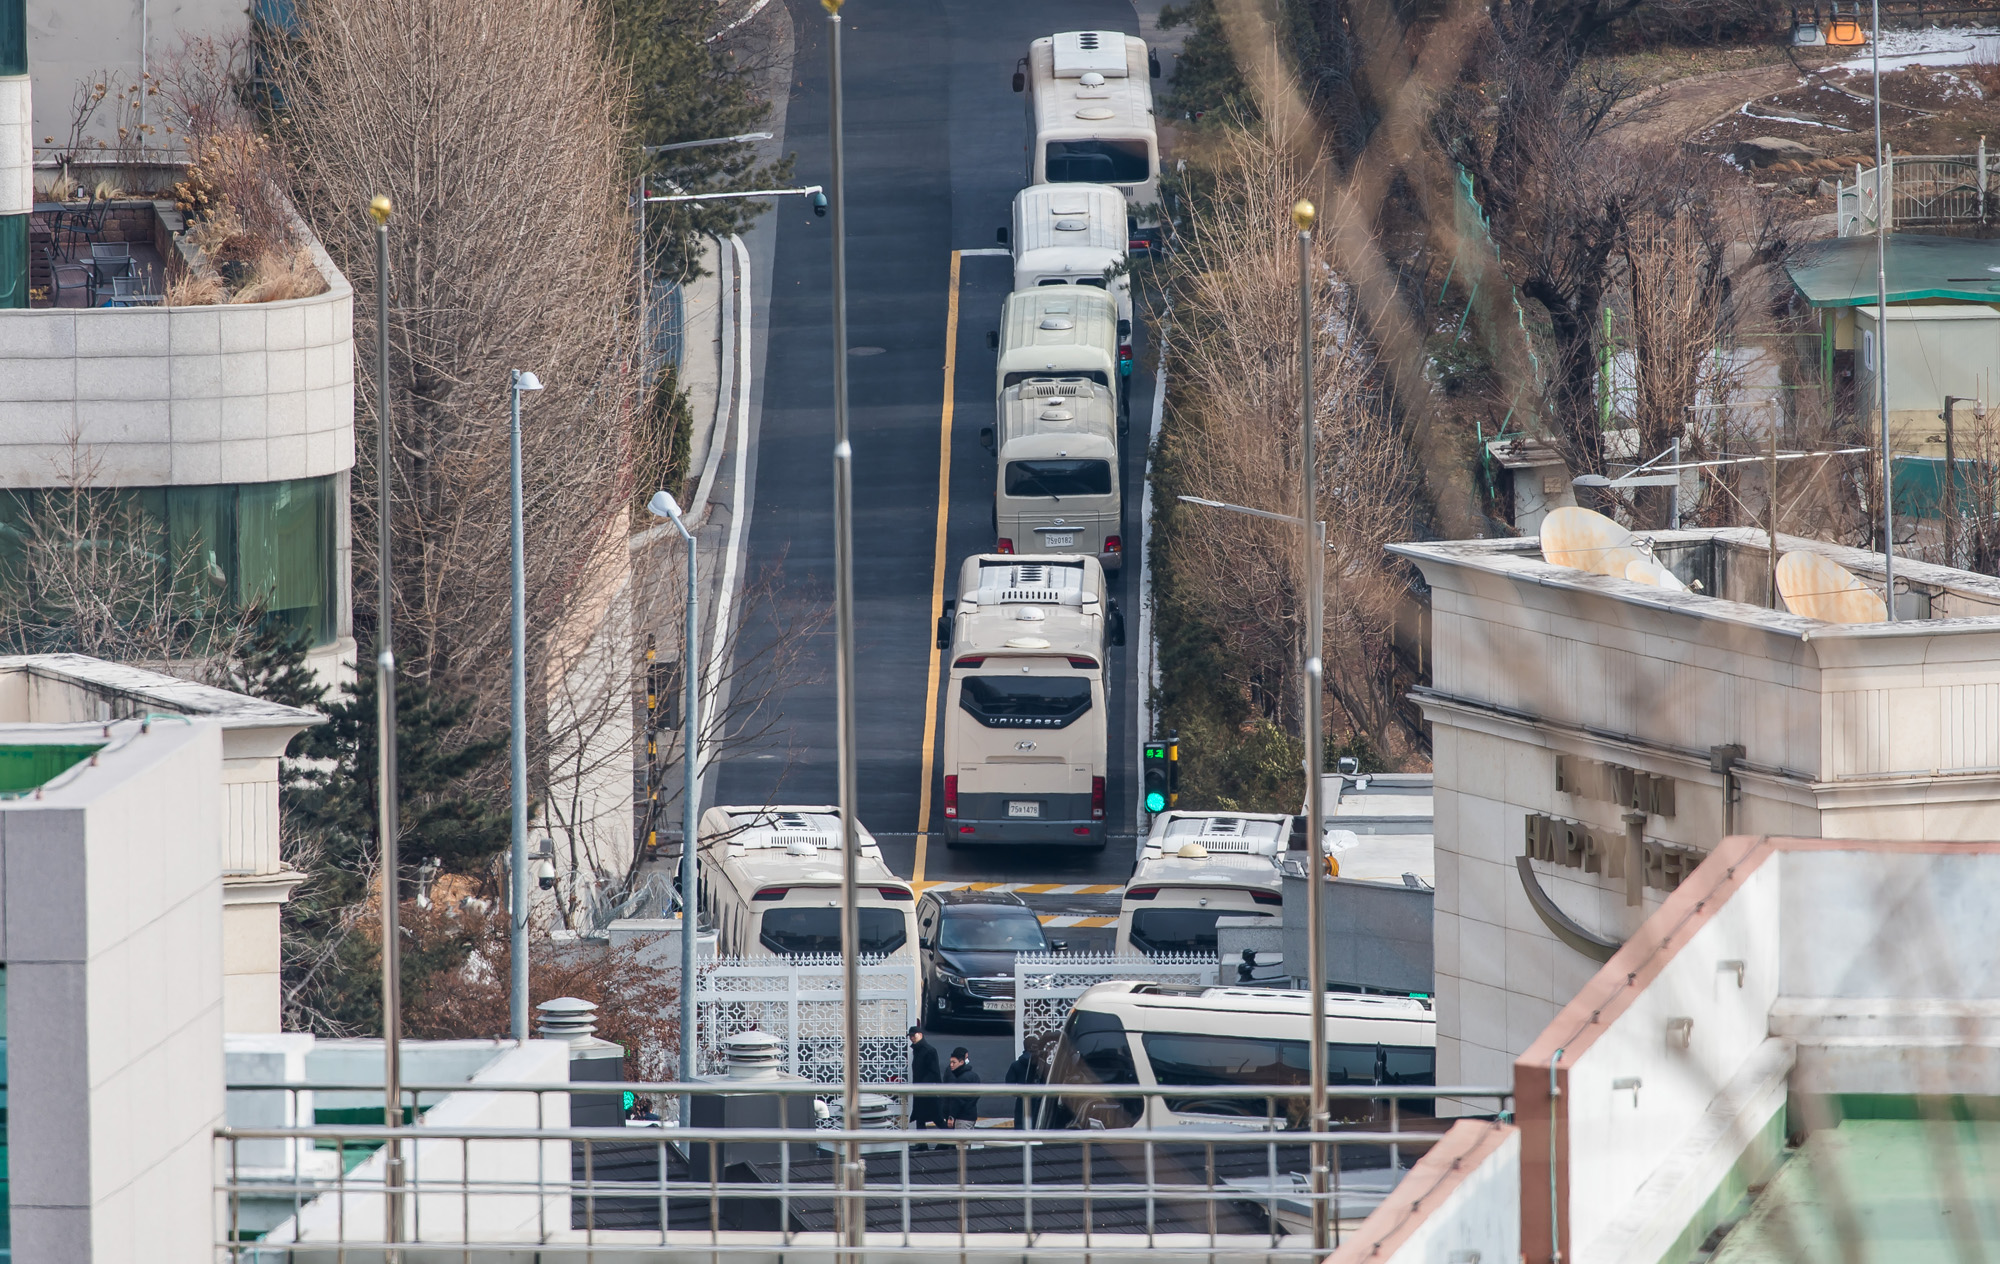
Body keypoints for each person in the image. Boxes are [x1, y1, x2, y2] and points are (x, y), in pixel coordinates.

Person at [1003, 1034, 1049, 1130]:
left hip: (1022, 1101)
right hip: (1039, 1101)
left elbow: (1009, 1085)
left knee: (1021, 1128)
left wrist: (1019, 1093)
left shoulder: (1015, 1065)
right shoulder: (1043, 1064)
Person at [908, 1026, 944, 1138]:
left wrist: (924, 1085)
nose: (912, 1038)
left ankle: (952, 1139)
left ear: (921, 1034)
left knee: (936, 1117)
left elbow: (934, 1072)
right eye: (910, 1036)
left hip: (927, 1091)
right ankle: (921, 1143)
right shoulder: (917, 1050)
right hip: (920, 1090)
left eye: (914, 1035)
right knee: (920, 1117)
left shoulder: (929, 1051)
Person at [946, 1047, 982, 1129]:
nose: (951, 1065)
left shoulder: (961, 1078)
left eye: (953, 1062)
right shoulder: (973, 1076)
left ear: (961, 1062)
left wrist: (951, 1116)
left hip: (962, 1118)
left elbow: (957, 1100)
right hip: (971, 1115)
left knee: (961, 1141)